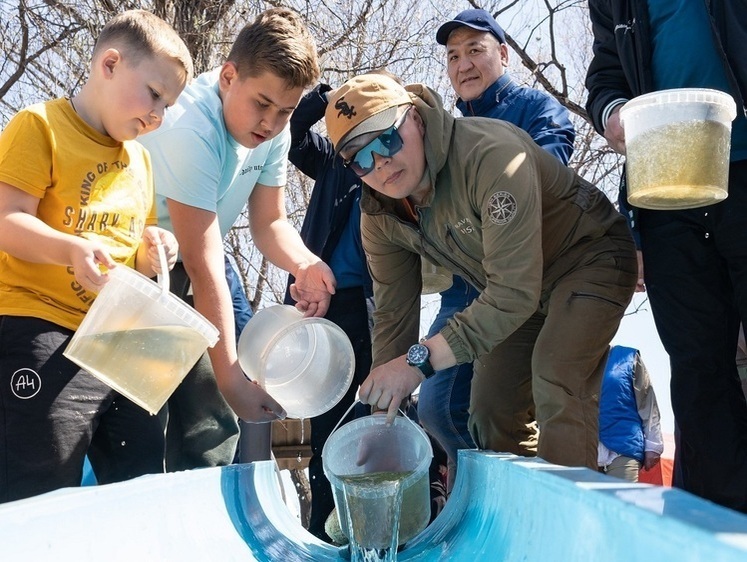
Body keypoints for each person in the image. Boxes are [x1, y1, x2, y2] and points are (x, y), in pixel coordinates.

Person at [324, 73, 637, 471]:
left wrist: (419, 361)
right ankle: (519, 517)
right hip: (519, 293)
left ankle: (569, 527)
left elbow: (511, 293)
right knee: (490, 409)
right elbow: (392, 317)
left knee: (556, 377)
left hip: (589, 257)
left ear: (416, 119)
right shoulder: (379, 217)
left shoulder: (490, 155)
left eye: (387, 138)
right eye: (360, 158)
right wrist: (379, 418)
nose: (380, 163)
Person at [0, 9, 192, 503]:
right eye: (154, 93)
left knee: (140, 470)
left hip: (116, 334)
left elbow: (136, 240)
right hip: (38, 324)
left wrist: (157, 249)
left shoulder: (141, 161)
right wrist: (69, 248)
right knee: (43, 473)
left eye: (167, 105)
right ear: (109, 65)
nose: (158, 115)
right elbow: (6, 220)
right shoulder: (38, 125)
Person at [139, 7, 335, 471]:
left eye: (285, 110)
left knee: (212, 428)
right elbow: (204, 264)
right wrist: (230, 380)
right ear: (228, 76)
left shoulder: (273, 130)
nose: (270, 121)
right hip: (143, 264)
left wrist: (305, 263)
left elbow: (269, 223)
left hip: (198, 255)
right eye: (262, 104)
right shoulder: (191, 128)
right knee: (156, 411)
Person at [586, 0, 747, 512]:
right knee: (697, 358)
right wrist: (611, 113)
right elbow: (606, 75)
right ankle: (719, 518)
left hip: (744, 166)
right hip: (667, 193)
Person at [417, 8, 577, 492]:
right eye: (452, 56)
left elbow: (547, 173)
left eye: (475, 50)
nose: (463, 64)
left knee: (490, 408)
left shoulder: (535, 109)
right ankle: (479, 501)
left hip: (518, 284)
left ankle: (511, 498)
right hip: (461, 288)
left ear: (503, 54)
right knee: (434, 407)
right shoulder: (441, 131)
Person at [283, 83, 374, 542]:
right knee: (321, 425)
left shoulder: (397, 166)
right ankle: (322, 532)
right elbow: (293, 135)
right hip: (320, 306)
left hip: (372, 306)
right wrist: (326, 95)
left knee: (368, 419)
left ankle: (372, 531)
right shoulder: (337, 162)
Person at [598, 346, 663, 482]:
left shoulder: (628, 357)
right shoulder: (571, 359)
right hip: (585, 447)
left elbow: (647, 402)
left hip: (624, 448)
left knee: (620, 502)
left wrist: (653, 444)